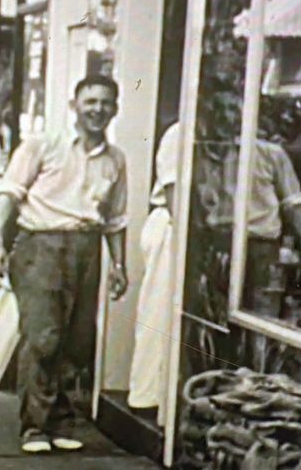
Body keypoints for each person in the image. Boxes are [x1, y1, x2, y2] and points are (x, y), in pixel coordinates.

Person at [0, 74, 129, 454]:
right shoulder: (42, 145)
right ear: (74, 105)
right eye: (90, 101)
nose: (98, 109)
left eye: (106, 103)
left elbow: (115, 219)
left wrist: (119, 265)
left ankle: (61, 421)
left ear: (115, 109)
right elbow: (7, 195)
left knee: (77, 340)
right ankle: (34, 426)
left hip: (87, 248)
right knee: (44, 337)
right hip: (40, 246)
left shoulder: (115, 160)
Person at [193, 91, 301, 347]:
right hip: (220, 249)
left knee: (261, 325)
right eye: (219, 109)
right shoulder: (204, 155)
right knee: (217, 323)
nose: (225, 116)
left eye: (232, 110)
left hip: (262, 251)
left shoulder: (271, 154)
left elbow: (294, 204)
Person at [127, 121, 180, 425]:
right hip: (173, 228)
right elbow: (174, 194)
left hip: (192, 231)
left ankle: (163, 395)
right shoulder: (178, 133)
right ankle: (146, 396)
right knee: (158, 313)